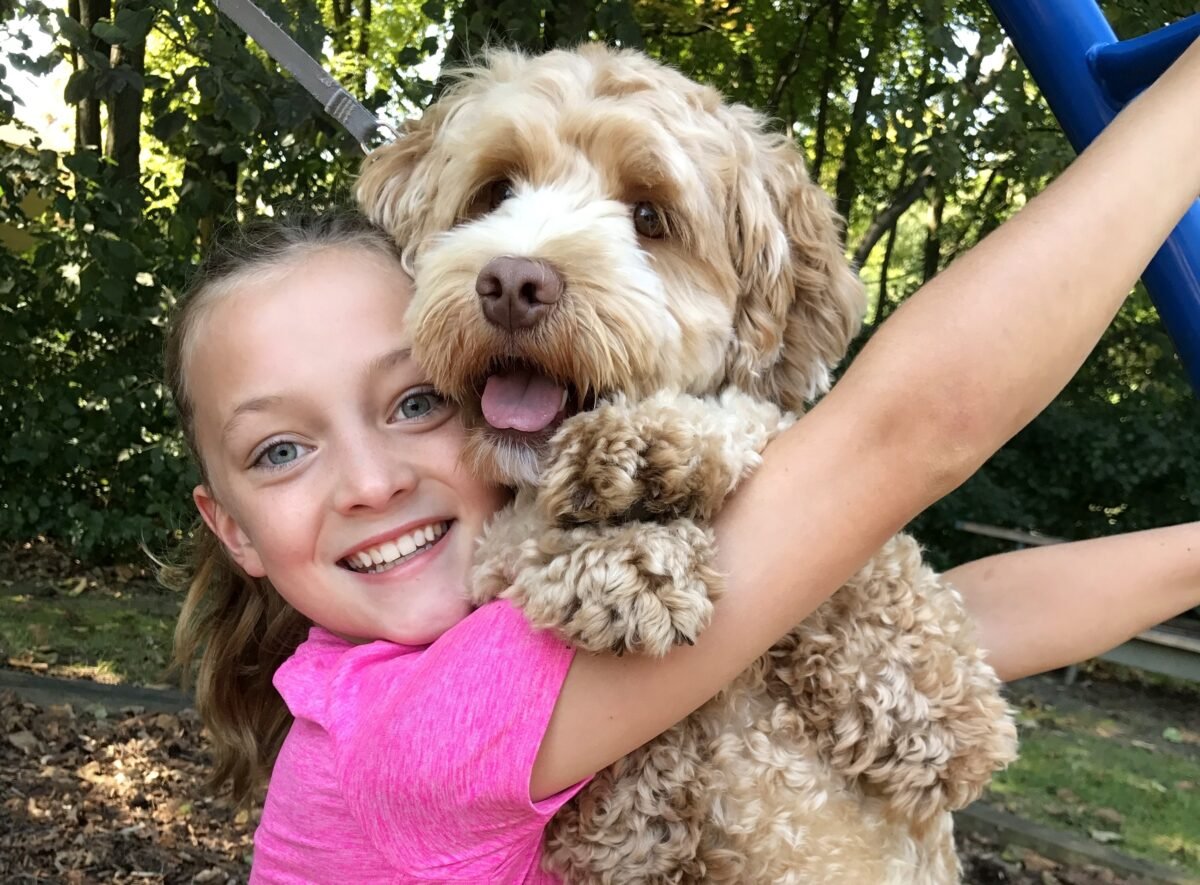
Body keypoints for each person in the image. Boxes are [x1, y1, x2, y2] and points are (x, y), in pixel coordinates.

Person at [166, 35, 1200, 883]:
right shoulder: (411, 734)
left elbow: (969, 620)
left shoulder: (505, 628)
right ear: (232, 527)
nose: (373, 480)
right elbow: (912, 432)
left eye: (417, 402)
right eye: (284, 448)